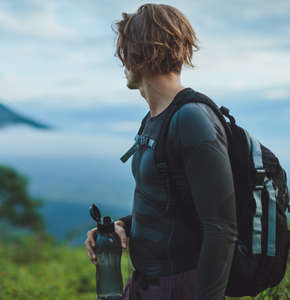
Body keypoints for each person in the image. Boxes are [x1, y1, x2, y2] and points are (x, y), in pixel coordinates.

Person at [84, 3, 238, 300]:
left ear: (136, 55)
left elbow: (221, 228)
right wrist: (122, 226)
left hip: (178, 286)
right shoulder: (155, 119)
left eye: (124, 52)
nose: (122, 63)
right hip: (145, 282)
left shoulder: (191, 119)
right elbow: (173, 201)